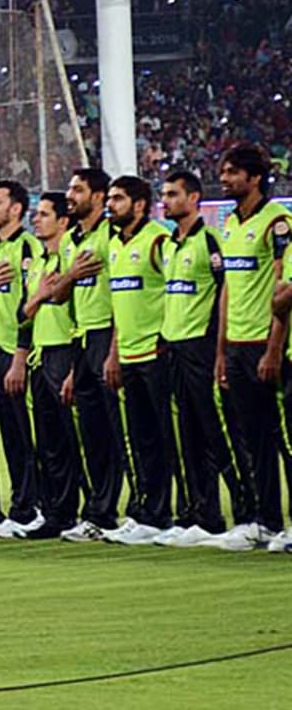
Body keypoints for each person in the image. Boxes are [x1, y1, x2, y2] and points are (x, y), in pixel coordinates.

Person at [212, 144, 289, 550]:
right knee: (253, 437)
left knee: (285, 437)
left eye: (232, 172)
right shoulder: (230, 224)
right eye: (223, 172)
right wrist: (222, 351)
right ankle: (267, 522)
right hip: (238, 344)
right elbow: (228, 289)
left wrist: (274, 348)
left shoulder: (278, 221)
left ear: (254, 177)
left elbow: (283, 290)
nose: (224, 178)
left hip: (264, 343)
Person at [154, 172, 235, 547]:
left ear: (194, 197)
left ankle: (248, 512)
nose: (165, 201)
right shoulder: (169, 245)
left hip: (201, 348)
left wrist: (217, 348)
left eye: (173, 194)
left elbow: (225, 293)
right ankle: (203, 516)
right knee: (186, 435)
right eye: (163, 194)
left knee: (215, 433)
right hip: (174, 348)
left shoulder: (209, 240)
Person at [102, 175, 176, 545]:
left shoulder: (158, 241)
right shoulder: (115, 245)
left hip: (156, 354)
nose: (110, 204)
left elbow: (175, 292)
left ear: (140, 205)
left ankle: (173, 513)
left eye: (118, 199)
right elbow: (119, 306)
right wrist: (114, 354)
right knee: (140, 438)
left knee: (167, 438)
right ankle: (149, 513)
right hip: (128, 354)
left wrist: (165, 340)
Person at [59, 168, 124, 543]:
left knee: (120, 431)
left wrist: (113, 351)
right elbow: (60, 296)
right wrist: (70, 276)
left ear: (98, 197)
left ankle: (144, 512)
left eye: (78, 189)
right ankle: (100, 513)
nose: (71, 195)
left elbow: (121, 299)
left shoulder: (112, 236)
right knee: (93, 433)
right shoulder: (71, 239)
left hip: (107, 335)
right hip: (82, 338)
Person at [0, 181, 44, 538]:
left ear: (16, 209)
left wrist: (20, 355)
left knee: (29, 433)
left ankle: (36, 506)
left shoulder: (28, 248)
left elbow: (30, 308)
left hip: (23, 355)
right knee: (10, 437)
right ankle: (20, 507)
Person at [23, 191, 82, 540]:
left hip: (65, 352)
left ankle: (90, 513)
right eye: (36, 213)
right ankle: (55, 514)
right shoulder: (40, 264)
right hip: (41, 354)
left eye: (44, 214)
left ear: (63, 221)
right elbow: (23, 315)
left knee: (75, 440)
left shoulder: (72, 260)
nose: (37, 219)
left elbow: (75, 311)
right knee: (48, 442)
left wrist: (77, 366)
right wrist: (38, 298)